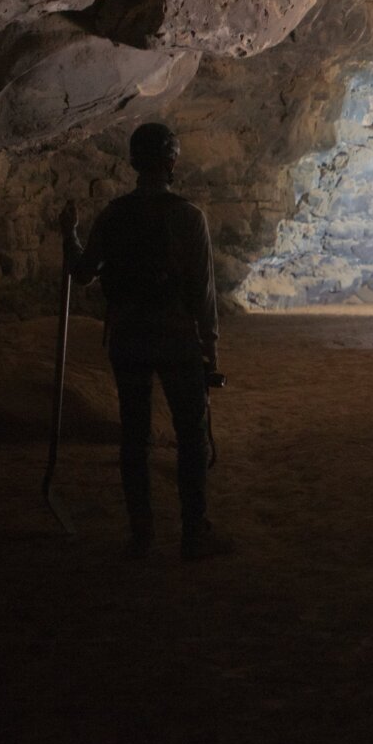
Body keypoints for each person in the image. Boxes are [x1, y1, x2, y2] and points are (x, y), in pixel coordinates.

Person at [64, 122, 230, 562]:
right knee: (192, 438)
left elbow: (82, 273)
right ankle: (194, 533)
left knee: (134, 438)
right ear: (172, 162)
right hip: (176, 337)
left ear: (135, 162)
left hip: (129, 336)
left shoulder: (114, 215)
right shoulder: (188, 217)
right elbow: (203, 290)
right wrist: (209, 342)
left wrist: (69, 232)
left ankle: (142, 535)